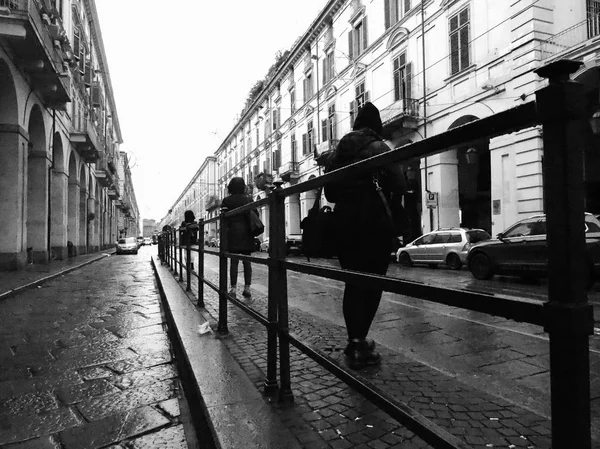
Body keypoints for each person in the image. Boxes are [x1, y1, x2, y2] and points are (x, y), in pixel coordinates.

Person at [324, 102, 406, 370]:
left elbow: (330, 194)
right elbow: (399, 185)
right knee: (372, 283)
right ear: (376, 125)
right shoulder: (379, 148)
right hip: (374, 223)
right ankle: (360, 342)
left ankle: (354, 339)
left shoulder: (337, 155)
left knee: (352, 283)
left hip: (345, 224)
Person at [221, 177, 257, 300]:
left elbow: (223, 219)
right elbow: (255, 214)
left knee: (234, 262)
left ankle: (233, 288)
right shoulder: (248, 199)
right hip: (247, 233)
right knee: (247, 262)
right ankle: (247, 288)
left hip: (233, 234)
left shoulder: (227, 200)